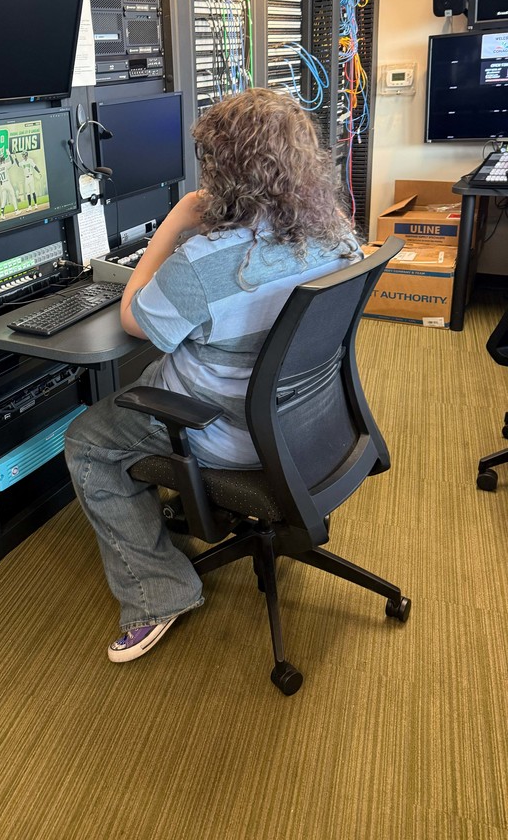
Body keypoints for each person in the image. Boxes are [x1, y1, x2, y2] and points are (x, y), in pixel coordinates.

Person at [64, 88, 361, 663]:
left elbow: (133, 316)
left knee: (86, 440)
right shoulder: (336, 233)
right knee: (146, 387)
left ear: (222, 173)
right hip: (310, 421)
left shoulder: (206, 262)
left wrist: (177, 220)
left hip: (225, 431)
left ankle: (160, 593)